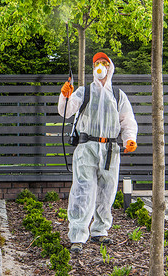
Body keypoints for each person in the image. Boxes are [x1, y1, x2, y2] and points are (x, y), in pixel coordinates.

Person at [58, 52, 138, 253]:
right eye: (97, 64)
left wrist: (130, 139)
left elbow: (127, 120)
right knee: (83, 190)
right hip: (87, 147)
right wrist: (65, 95)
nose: (100, 67)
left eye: (103, 63)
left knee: (107, 191)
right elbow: (65, 111)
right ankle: (77, 235)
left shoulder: (118, 95)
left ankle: (100, 231)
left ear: (110, 68)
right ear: (94, 69)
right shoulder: (84, 92)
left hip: (110, 149)